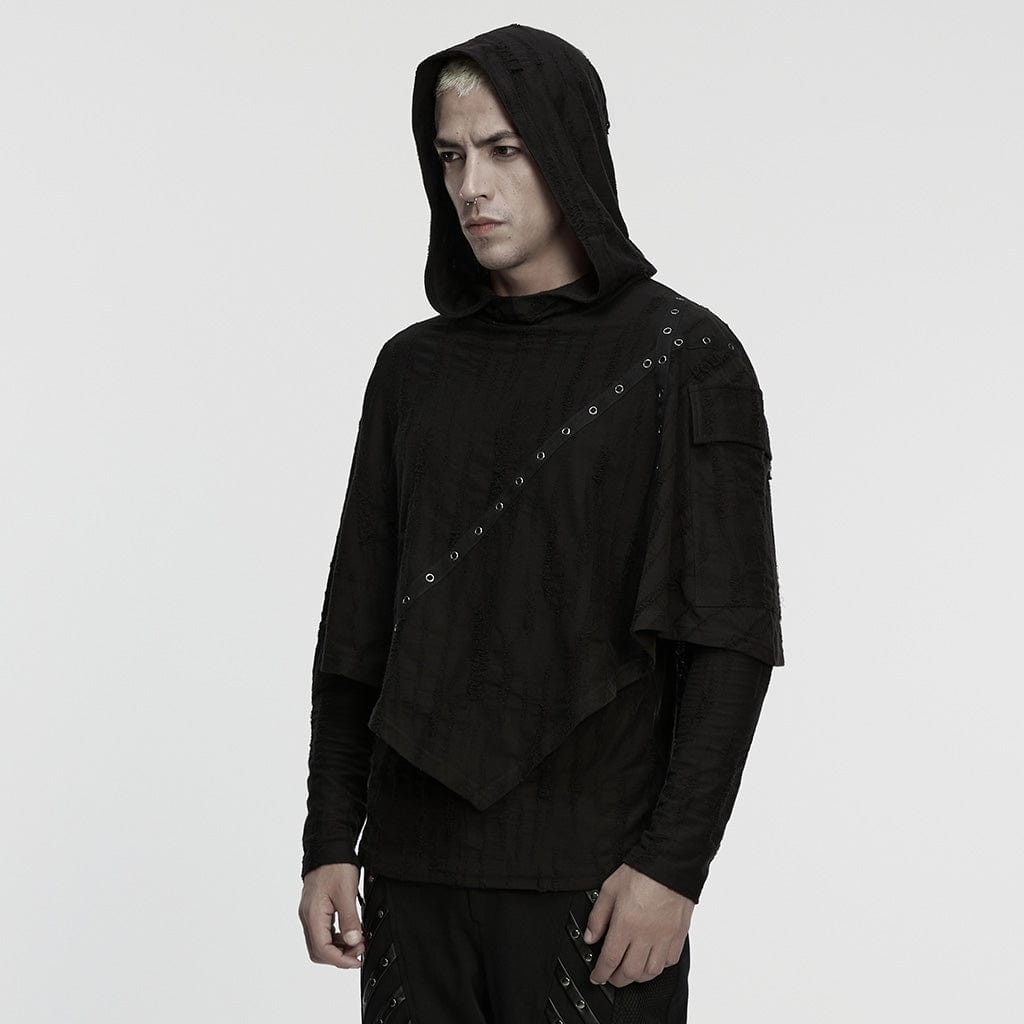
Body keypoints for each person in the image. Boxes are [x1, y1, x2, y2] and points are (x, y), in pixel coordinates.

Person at [297, 23, 784, 1024]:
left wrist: (673, 868)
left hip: (594, 883)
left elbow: (728, 637)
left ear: (566, 148)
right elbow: (356, 627)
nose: (470, 186)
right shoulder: (413, 370)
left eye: (503, 149)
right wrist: (329, 837)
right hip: (413, 875)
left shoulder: (684, 357)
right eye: (449, 155)